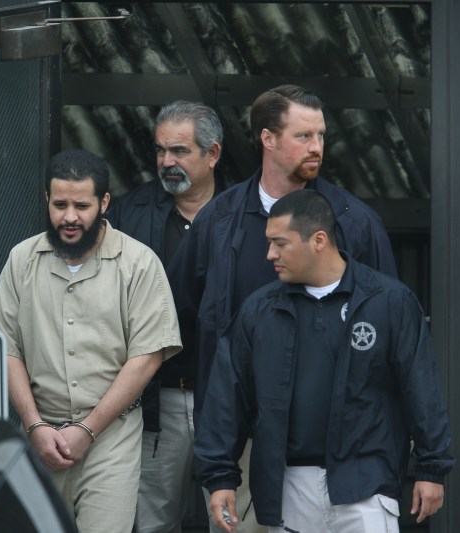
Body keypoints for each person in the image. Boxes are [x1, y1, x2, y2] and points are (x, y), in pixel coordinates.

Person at [168, 84, 398, 531]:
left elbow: (392, 333)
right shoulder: (218, 221)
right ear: (267, 139)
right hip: (244, 437)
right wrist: (217, 426)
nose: (317, 148)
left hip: (336, 439)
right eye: (304, 136)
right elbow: (181, 316)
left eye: (321, 136)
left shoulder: (353, 222)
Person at [197, 189, 453, 532]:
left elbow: (421, 389)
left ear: (318, 240)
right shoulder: (258, 311)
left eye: (280, 243)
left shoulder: (389, 301)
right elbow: (227, 399)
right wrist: (220, 477)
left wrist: (431, 469)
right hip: (287, 486)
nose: (270, 254)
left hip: (367, 484)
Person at [0, 148, 182, 533]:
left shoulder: (139, 263)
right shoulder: (21, 259)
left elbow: (147, 356)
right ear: (46, 200)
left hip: (111, 437)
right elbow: (5, 348)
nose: (70, 217)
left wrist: (88, 429)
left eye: (82, 205)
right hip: (39, 435)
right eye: (59, 204)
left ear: (104, 202)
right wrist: (34, 425)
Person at [106, 100, 225, 533]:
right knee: (154, 521)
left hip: (226, 396)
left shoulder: (244, 214)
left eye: (179, 152)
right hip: (160, 396)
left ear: (212, 154)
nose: (166, 162)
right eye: (160, 151)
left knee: (232, 522)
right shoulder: (127, 214)